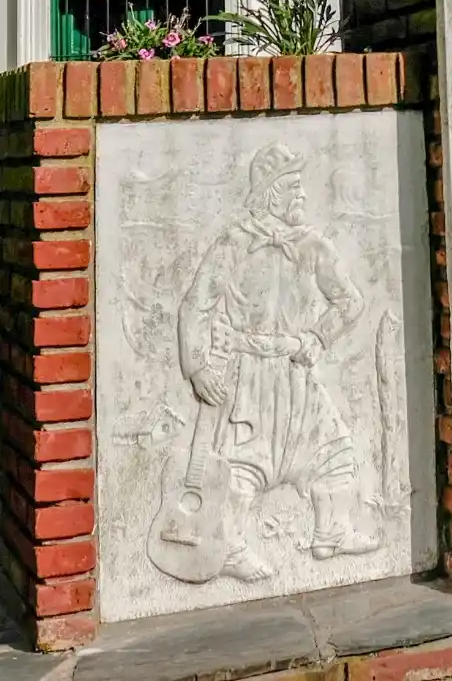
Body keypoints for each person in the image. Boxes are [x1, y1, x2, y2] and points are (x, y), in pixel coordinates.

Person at [158, 143, 377, 582]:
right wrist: (196, 368)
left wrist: (318, 336)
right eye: (292, 186)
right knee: (243, 462)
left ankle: (331, 531)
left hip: (297, 369)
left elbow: (351, 301)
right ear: (270, 192)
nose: (301, 194)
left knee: (332, 448)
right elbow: (194, 305)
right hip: (247, 373)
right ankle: (231, 548)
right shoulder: (235, 243)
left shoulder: (313, 245)